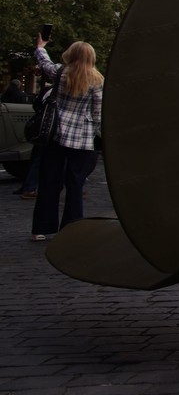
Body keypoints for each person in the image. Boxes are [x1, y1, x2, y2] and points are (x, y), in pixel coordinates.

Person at [30, 34, 103, 241]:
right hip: (82, 138)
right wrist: (95, 131)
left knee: (49, 182)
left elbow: (45, 64)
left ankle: (41, 228)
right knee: (75, 184)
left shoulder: (61, 73)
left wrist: (40, 46)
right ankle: (72, 228)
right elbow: (98, 113)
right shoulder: (97, 80)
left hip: (56, 133)